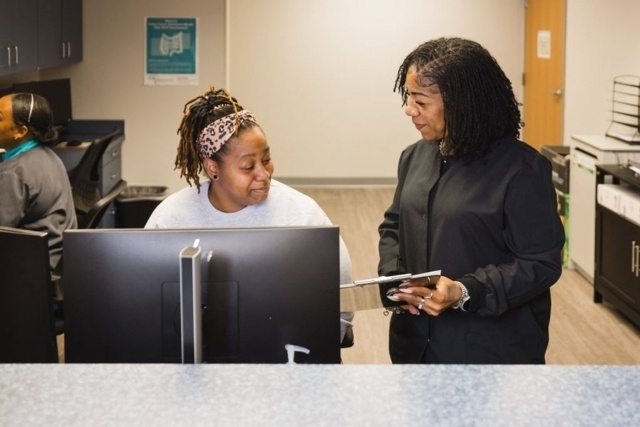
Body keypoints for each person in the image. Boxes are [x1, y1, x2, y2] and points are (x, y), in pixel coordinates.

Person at [377, 37, 565, 364]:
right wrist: (397, 280)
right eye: (409, 97)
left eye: (420, 101)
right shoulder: (414, 157)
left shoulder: (522, 171)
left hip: (488, 350)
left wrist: (465, 291)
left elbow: (540, 263)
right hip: (415, 343)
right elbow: (394, 225)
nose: (409, 110)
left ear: (461, 103)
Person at [145, 86, 354, 345]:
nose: (263, 174)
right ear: (213, 168)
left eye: (266, 160)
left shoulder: (301, 215)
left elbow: (343, 300)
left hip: (289, 359)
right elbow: (149, 308)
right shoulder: (169, 220)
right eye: (248, 166)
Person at [0, 92, 77, 272]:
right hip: (57, 259)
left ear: (20, 132)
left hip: (33, 270)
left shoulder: (14, 173)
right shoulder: (47, 155)